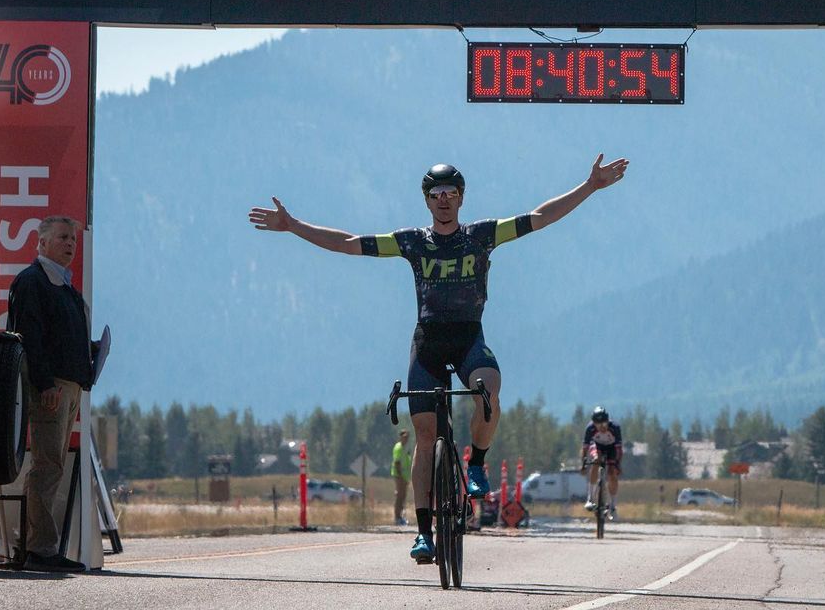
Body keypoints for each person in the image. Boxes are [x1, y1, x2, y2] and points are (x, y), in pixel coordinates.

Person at [249, 154, 627, 561]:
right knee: (425, 437)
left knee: (489, 390)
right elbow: (348, 243)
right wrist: (293, 225)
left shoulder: (482, 235)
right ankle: (423, 531)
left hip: (469, 340)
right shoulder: (412, 242)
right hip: (427, 344)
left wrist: (589, 186)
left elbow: (539, 217)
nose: (443, 200)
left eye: (450, 193)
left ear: (461, 198)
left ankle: (477, 463)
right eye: (435, 194)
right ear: (427, 200)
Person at [6, 216, 96, 573]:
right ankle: (39, 549)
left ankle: (39, 544)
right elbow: (29, 336)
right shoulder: (33, 281)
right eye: (62, 237)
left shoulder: (65, 285)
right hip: (51, 387)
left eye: (73, 238)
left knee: (52, 466)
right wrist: (44, 385)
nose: (70, 244)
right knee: (46, 466)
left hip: (69, 385)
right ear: (41, 242)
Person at [581, 406, 622, 519]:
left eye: (604, 424)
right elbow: (585, 448)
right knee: (596, 460)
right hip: (597, 446)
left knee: (612, 474)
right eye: (598, 425)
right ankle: (590, 498)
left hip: (611, 448)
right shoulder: (590, 429)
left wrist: (617, 464)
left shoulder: (615, 428)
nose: (602, 427)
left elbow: (619, 449)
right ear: (594, 424)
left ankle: (613, 506)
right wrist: (583, 464)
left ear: (608, 421)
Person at [391, 429, 412, 525]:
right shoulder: (398, 447)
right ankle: (397, 517)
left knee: (403, 496)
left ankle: (400, 516)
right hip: (399, 475)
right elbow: (397, 462)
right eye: (404, 437)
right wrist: (401, 477)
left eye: (407, 437)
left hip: (405, 476)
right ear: (400, 437)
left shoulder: (405, 448)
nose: (406, 439)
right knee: (399, 496)